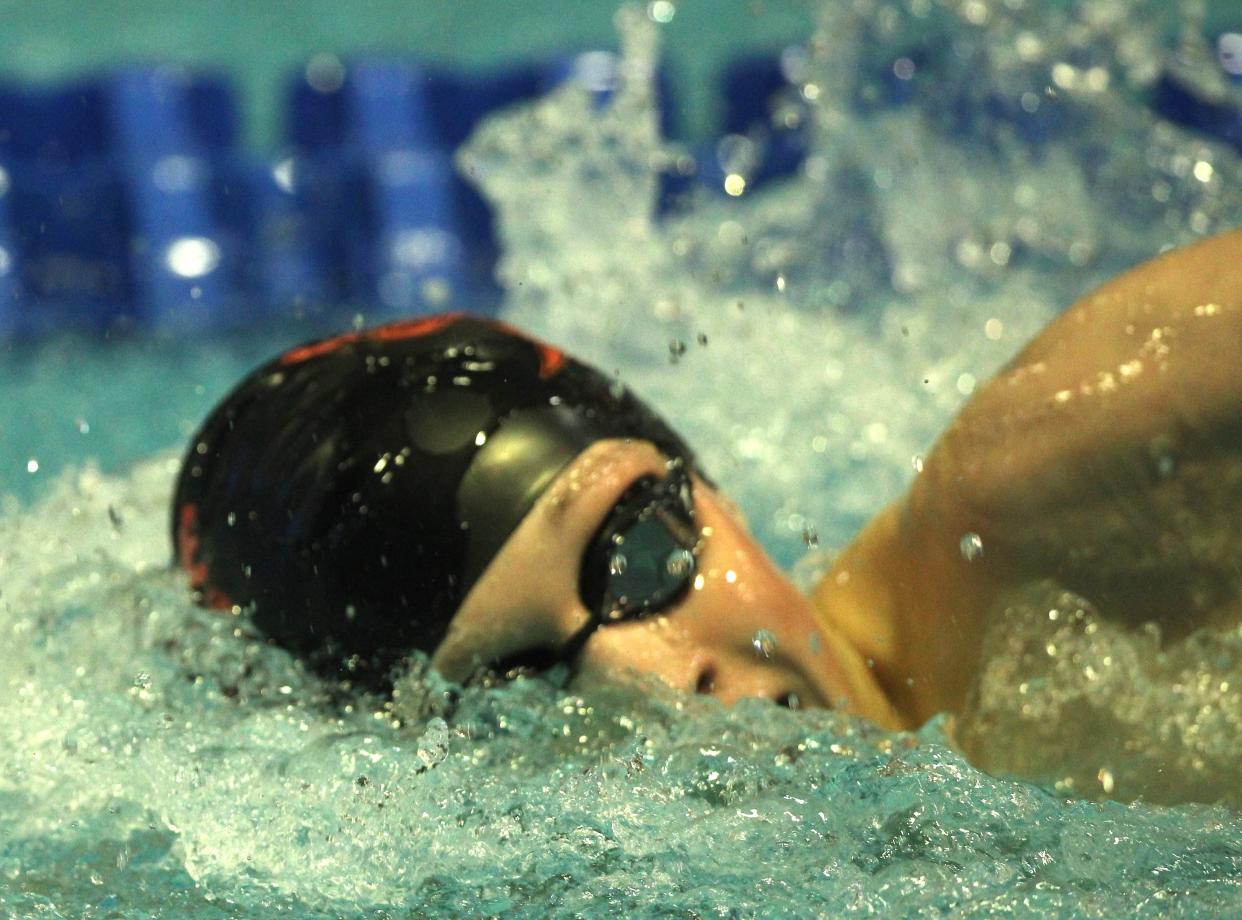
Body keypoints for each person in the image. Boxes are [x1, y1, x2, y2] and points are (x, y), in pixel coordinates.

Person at [173, 229, 1242, 729]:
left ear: (707, 485)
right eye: (516, 683)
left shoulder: (1042, 495)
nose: (647, 680)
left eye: (633, 554)